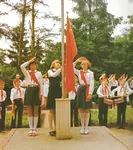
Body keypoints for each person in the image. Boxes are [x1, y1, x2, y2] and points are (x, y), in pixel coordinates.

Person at [20, 57, 43, 136]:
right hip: (29, 90)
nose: (33, 66)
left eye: (34, 64)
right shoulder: (27, 73)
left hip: (36, 90)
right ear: (29, 66)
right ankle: (31, 128)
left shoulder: (39, 73)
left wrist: (41, 94)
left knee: (36, 110)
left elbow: (41, 84)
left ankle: (35, 128)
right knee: (29, 110)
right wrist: (29, 60)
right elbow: (22, 66)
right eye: (32, 64)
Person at [73, 57, 94, 135]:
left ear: (88, 65)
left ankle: (86, 127)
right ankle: (82, 127)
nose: (83, 65)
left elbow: (91, 83)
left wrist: (90, 93)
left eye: (85, 64)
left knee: (87, 109)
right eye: (82, 64)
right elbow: (71, 68)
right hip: (81, 89)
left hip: (87, 89)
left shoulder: (91, 73)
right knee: (81, 109)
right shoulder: (79, 72)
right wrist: (76, 61)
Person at [46, 60, 62, 136]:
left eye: (59, 63)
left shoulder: (60, 73)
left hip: (58, 92)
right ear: (53, 64)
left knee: (57, 111)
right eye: (57, 63)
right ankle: (50, 127)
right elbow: (53, 75)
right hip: (52, 92)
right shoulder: (50, 71)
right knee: (52, 110)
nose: (59, 64)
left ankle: (56, 127)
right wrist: (60, 69)